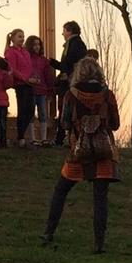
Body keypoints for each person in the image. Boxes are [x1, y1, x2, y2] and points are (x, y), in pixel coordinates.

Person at [40, 57, 120, 253]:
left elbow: (65, 123)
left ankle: (49, 232)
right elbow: (115, 124)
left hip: (79, 151)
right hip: (103, 153)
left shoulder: (71, 95)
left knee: (61, 190)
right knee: (100, 198)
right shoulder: (107, 95)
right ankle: (99, 243)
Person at [49, 21, 87, 145]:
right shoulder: (79, 44)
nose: (62, 34)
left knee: (65, 109)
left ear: (69, 31)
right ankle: (68, 138)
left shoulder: (73, 45)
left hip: (70, 84)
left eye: (64, 31)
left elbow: (69, 64)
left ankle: (62, 138)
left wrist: (60, 69)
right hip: (74, 82)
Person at [4, 28, 38, 147]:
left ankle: (21, 135)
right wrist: (25, 79)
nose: (22, 39)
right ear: (13, 38)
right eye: (19, 36)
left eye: (23, 36)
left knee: (30, 110)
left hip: (30, 84)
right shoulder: (10, 52)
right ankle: (20, 137)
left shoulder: (25, 52)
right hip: (20, 84)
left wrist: (34, 77)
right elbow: (13, 69)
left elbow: (29, 67)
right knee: (23, 109)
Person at [25, 35, 54, 145]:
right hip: (30, 90)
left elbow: (48, 76)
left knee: (43, 113)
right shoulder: (26, 59)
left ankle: (43, 138)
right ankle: (32, 138)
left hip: (42, 90)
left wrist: (50, 89)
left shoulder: (44, 60)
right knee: (31, 114)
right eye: (34, 45)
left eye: (38, 44)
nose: (37, 47)